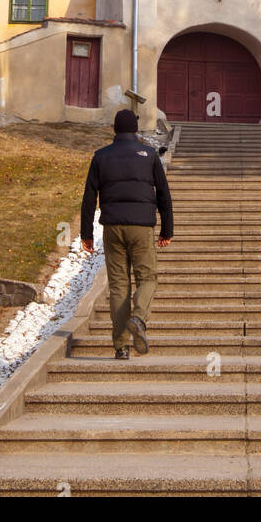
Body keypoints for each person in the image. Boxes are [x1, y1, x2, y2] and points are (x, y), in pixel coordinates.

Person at [80, 107, 173, 359]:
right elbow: (163, 194)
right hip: (141, 227)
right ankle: (139, 318)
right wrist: (167, 229)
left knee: (119, 285)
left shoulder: (101, 156)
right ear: (135, 129)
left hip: (112, 228)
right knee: (148, 278)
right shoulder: (150, 155)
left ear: (115, 130)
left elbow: (89, 197)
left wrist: (86, 233)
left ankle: (121, 346)